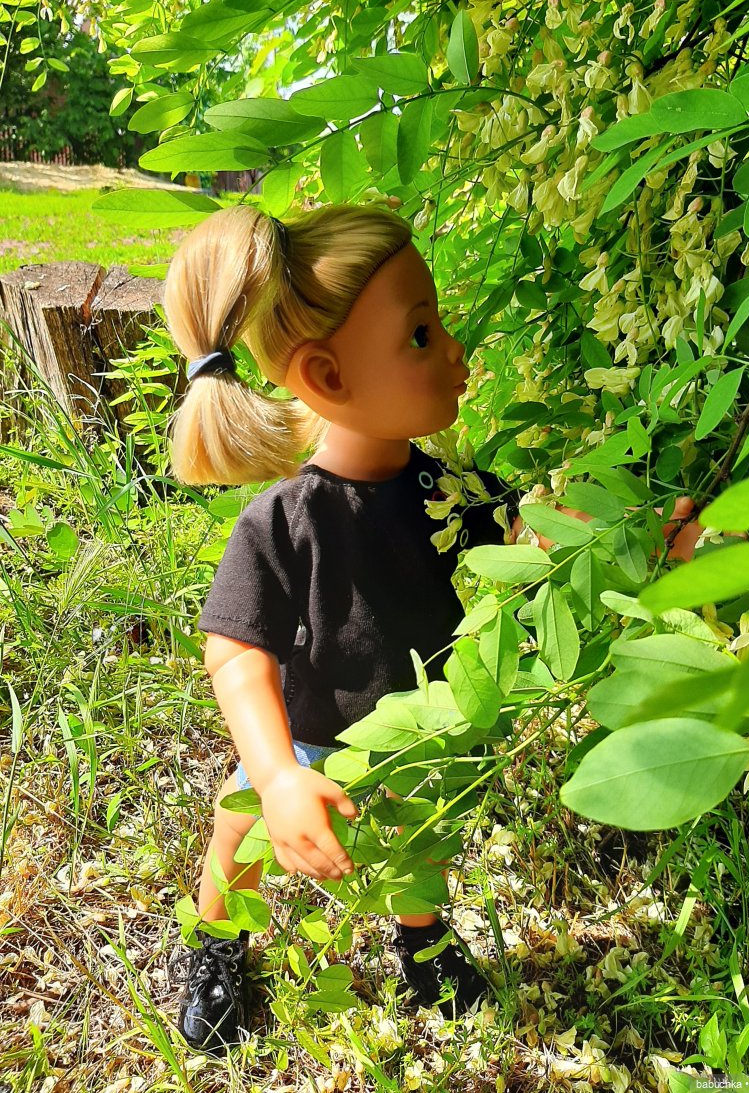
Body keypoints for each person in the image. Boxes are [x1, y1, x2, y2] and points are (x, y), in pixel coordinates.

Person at [163, 202, 706, 1054]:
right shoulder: (286, 518)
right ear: (328, 376)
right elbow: (236, 653)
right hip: (308, 736)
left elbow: (534, 540)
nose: (456, 351)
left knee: (421, 837)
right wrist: (274, 774)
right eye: (421, 334)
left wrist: (630, 533)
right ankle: (217, 945)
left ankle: (423, 945)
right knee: (240, 831)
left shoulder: (449, 491)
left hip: (423, 727)